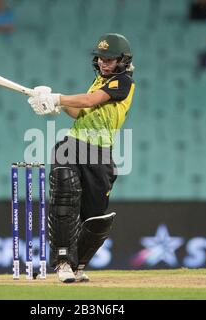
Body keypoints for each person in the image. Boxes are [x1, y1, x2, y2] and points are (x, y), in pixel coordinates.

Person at [27, 33, 135, 283]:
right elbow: (81, 112)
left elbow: (89, 100)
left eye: (109, 59)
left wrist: (58, 97)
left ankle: (76, 265)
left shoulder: (123, 82)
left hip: (100, 155)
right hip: (73, 145)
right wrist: (56, 104)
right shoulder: (99, 81)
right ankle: (63, 262)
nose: (103, 63)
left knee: (94, 218)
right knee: (64, 195)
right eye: (100, 58)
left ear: (123, 60)